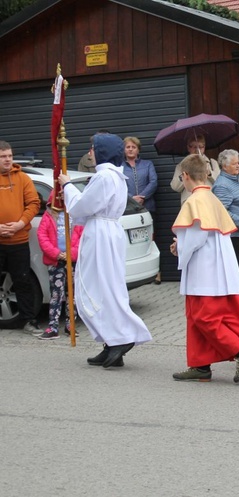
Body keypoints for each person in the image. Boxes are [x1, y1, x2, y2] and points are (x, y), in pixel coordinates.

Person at [58, 133, 152, 368]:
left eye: (92, 148)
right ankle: (112, 342)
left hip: (100, 233)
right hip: (108, 231)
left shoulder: (104, 177)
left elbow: (84, 206)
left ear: (101, 152)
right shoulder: (115, 177)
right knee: (106, 285)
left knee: (98, 286)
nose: (90, 152)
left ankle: (120, 338)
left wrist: (67, 186)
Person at [169, 154, 239, 383]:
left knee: (204, 317)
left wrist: (178, 247)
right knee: (195, 316)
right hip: (216, 266)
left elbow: (195, 237)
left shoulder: (195, 201)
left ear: (185, 176)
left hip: (205, 269)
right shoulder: (210, 197)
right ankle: (200, 364)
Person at [0, 140, 42, 334]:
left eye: (9, 155)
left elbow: (33, 203)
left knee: (22, 281)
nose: (7, 159)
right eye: (3, 156)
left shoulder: (23, 178)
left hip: (18, 241)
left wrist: (20, 224)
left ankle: (28, 320)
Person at [36, 190, 84, 340]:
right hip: (56, 261)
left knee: (73, 294)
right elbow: (42, 236)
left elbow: (83, 238)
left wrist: (72, 253)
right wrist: (56, 253)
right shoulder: (48, 217)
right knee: (56, 293)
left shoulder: (76, 217)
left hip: (73, 261)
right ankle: (53, 325)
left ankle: (71, 324)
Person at [121, 136, 161, 284]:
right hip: (128, 208)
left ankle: (156, 271)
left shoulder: (147, 164)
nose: (131, 149)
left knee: (151, 237)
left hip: (147, 206)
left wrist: (143, 196)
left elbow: (153, 181)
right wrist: (132, 198)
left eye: (133, 147)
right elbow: (120, 185)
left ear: (138, 149)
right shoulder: (120, 167)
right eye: (128, 147)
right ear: (124, 150)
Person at [212, 149, 239, 275]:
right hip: (235, 237)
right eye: (234, 164)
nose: (238, 165)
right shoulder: (222, 185)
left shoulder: (233, 180)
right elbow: (223, 212)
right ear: (225, 166)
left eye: (238, 163)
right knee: (238, 272)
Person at [170, 135, 220, 205]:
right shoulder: (181, 166)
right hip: (190, 204)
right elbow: (175, 187)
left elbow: (220, 184)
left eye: (200, 147)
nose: (197, 150)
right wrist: (185, 173)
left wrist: (210, 173)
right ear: (188, 148)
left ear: (204, 147)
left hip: (208, 203)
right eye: (194, 147)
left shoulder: (212, 163)